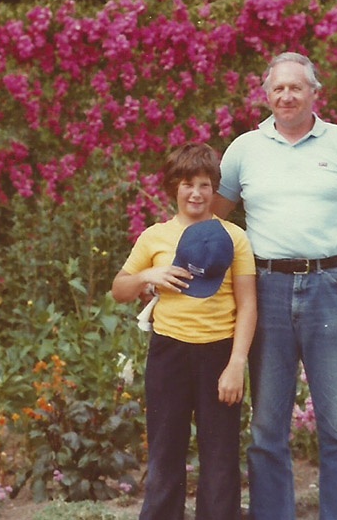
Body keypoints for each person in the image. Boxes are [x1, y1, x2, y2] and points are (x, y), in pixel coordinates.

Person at [212, 52, 337, 520]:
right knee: (266, 428)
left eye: (296, 87)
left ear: (315, 92)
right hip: (266, 291)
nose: (287, 96)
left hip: (329, 289)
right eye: (278, 88)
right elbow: (212, 219)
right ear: (266, 95)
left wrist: (332, 247)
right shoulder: (244, 150)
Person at [112, 142, 257, 520]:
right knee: (165, 452)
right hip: (169, 354)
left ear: (214, 189)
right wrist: (148, 275)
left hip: (219, 355)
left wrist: (236, 364)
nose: (196, 193)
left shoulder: (234, 237)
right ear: (174, 187)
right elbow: (119, 289)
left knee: (221, 456)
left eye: (205, 185)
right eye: (188, 184)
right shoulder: (154, 236)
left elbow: (248, 305)